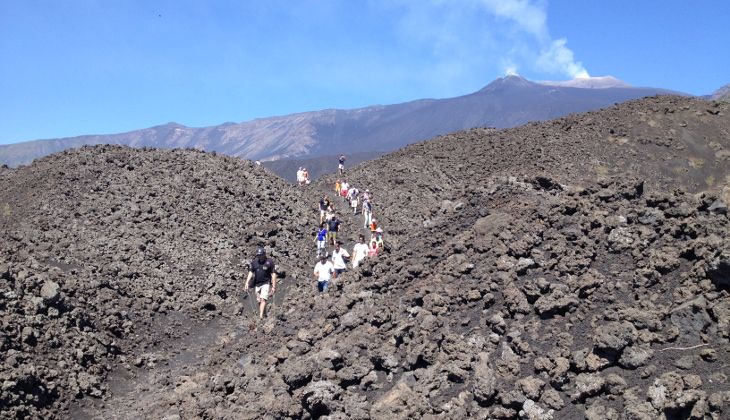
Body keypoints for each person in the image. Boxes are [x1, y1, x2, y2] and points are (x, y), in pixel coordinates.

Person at [245, 247, 277, 319]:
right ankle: (264, 314)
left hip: (266, 283)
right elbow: (250, 272)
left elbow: (273, 274)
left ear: (264, 254)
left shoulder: (269, 262)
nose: (259, 256)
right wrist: (247, 282)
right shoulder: (254, 262)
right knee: (259, 301)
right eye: (258, 255)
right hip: (257, 284)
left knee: (263, 299)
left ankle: (260, 316)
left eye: (261, 255)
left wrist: (274, 286)